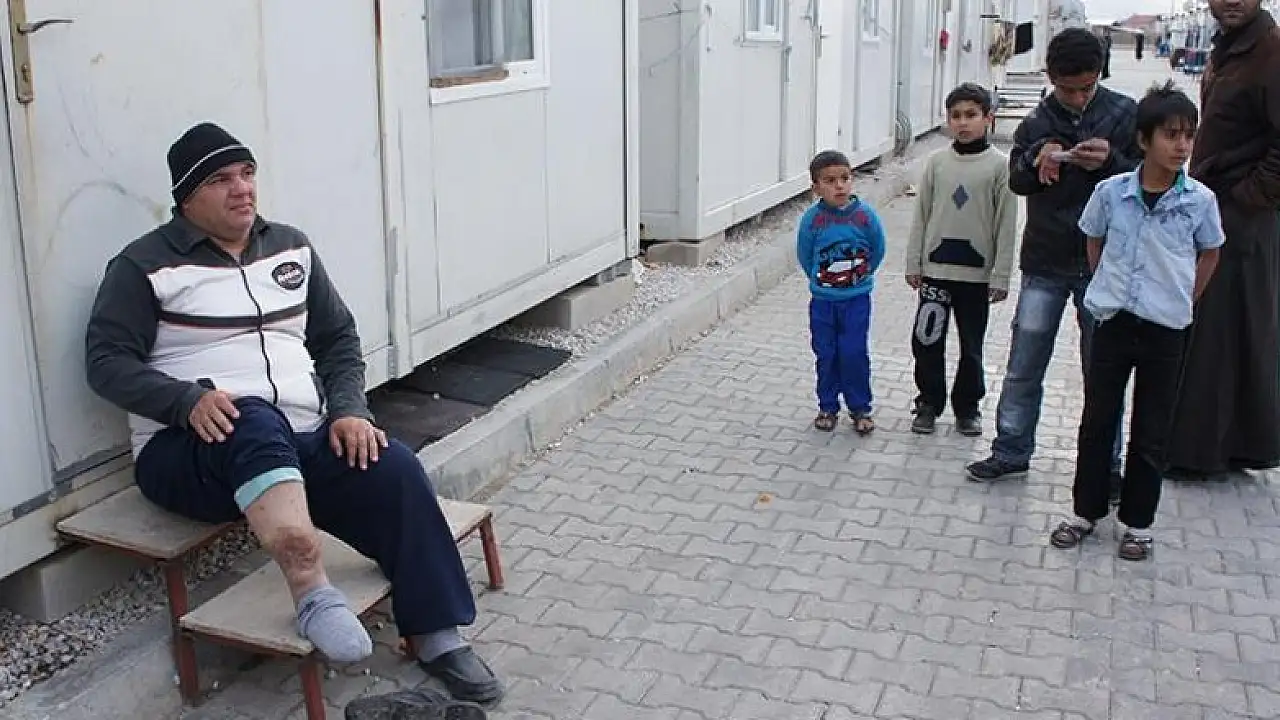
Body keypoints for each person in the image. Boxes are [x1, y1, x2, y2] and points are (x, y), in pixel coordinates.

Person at [84, 123, 503, 705]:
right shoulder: (143, 267)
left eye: (247, 173)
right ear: (186, 198)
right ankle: (312, 593)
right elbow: (106, 362)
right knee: (253, 418)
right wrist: (185, 401)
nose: (242, 189)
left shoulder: (290, 246)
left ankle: (437, 635)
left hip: (297, 437)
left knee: (392, 467)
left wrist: (350, 411)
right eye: (221, 180)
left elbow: (337, 340)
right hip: (191, 452)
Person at [1050, 82, 1223, 561]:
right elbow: (1094, 240)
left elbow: (1210, 251)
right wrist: (1109, 286)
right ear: (1144, 140)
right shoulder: (1111, 193)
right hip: (1113, 321)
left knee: (1151, 427)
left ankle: (1138, 523)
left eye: (1188, 135)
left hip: (1167, 328)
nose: (1182, 146)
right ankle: (1085, 512)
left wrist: (1185, 297)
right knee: (1097, 419)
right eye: (1171, 135)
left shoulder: (1199, 201)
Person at [966, 28, 1140, 490]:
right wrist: (1035, 159)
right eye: (1068, 89)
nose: (1079, 98)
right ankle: (1010, 449)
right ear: (1050, 77)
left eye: (1087, 87)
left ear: (1100, 74)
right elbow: (1017, 180)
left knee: (1102, 372)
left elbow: (1149, 182)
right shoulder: (1035, 121)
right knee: (1025, 363)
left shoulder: (1125, 114)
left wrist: (1111, 162)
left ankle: (1107, 467)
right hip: (1045, 259)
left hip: (1104, 263)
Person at [1166, 0, 1280, 479]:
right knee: (1220, 328)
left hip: (1244, 215)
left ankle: (1200, 454)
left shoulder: (1271, 51)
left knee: (1225, 329)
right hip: (1218, 205)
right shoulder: (1229, 48)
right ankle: (1222, 446)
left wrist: (1249, 196)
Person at [904, 83, 1018, 436]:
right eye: (956, 116)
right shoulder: (937, 163)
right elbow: (922, 215)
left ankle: (967, 407)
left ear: (988, 118)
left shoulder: (1000, 167)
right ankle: (928, 402)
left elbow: (1006, 224)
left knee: (971, 345)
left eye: (971, 115)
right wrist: (914, 263)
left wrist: (1000, 275)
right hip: (936, 272)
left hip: (976, 276)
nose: (963, 123)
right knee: (927, 340)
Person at [797, 150, 887, 436]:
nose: (839, 186)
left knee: (854, 352)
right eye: (830, 181)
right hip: (823, 302)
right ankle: (827, 406)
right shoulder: (812, 220)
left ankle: (860, 407)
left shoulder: (864, 217)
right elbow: (805, 255)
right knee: (826, 353)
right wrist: (821, 281)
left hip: (856, 300)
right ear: (816, 188)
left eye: (845, 178)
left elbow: (878, 248)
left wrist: (861, 275)